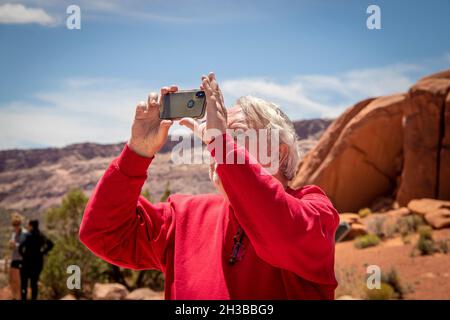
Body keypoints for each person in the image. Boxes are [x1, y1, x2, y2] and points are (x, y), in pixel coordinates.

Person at [80, 73, 340, 299]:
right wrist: (137, 152)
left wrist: (222, 144)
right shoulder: (183, 215)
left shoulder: (316, 211)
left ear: (279, 153)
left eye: (234, 134)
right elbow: (103, 233)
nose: (213, 145)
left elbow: (281, 235)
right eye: (214, 134)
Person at [19, 220, 54, 300]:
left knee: (24, 284)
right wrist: (42, 253)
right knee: (34, 284)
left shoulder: (27, 235)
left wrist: (24, 256)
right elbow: (51, 244)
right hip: (37, 263)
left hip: (26, 263)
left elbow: (20, 248)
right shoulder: (41, 236)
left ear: (31, 226)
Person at [9, 214, 26, 300]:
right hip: (14, 258)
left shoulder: (24, 233)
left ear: (20, 224)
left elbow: (24, 246)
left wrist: (15, 244)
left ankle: (19, 297)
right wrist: (11, 245)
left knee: (19, 281)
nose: (15, 226)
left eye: (16, 224)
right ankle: (14, 297)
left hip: (21, 259)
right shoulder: (13, 234)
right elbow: (12, 246)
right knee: (12, 280)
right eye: (14, 224)